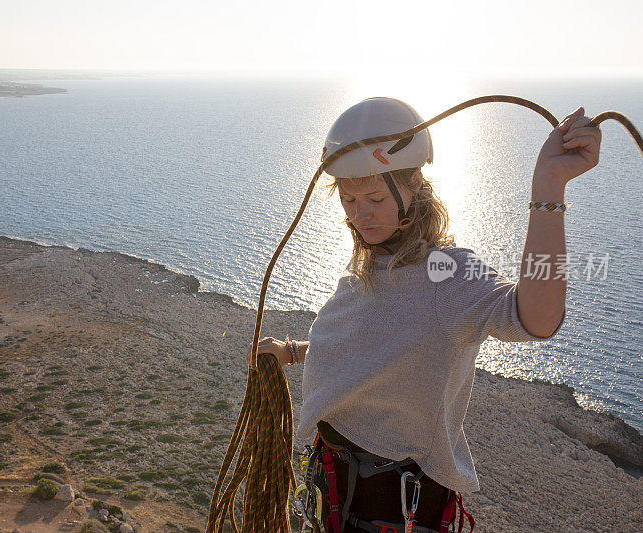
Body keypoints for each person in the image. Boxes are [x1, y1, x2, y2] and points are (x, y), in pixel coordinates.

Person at [245, 97, 602, 532]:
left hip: (393, 510)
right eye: (349, 198)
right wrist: (291, 351)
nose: (360, 215)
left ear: (414, 184)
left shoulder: (448, 275)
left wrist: (549, 189)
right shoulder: (370, 262)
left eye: (375, 197)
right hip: (334, 490)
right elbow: (371, 342)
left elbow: (537, 318)